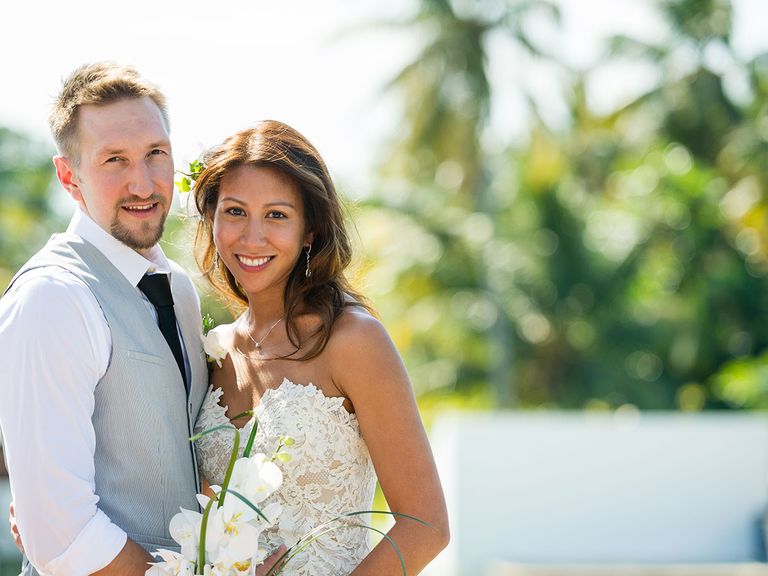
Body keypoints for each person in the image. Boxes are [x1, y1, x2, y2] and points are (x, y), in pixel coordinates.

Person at [191, 120, 450, 575]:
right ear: (211, 219)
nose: (252, 238)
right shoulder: (212, 353)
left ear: (309, 232)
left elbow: (425, 524)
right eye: (234, 212)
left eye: (276, 215)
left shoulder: (353, 341)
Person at [0, 62, 207, 576]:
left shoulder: (179, 290)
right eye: (115, 160)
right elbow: (60, 533)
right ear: (69, 176)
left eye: (155, 154)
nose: (144, 183)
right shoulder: (53, 297)